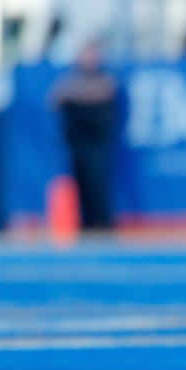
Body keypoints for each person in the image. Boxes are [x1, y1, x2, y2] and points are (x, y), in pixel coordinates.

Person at [50, 39, 119, 232]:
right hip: (77, 142)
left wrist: (77, 93)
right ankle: (86, 225)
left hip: (97, 143)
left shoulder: (104, 78)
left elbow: (104, 91)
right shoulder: (71, 78)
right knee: (80, 184)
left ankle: (104, 225)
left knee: (97, 182)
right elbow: (55, 97)